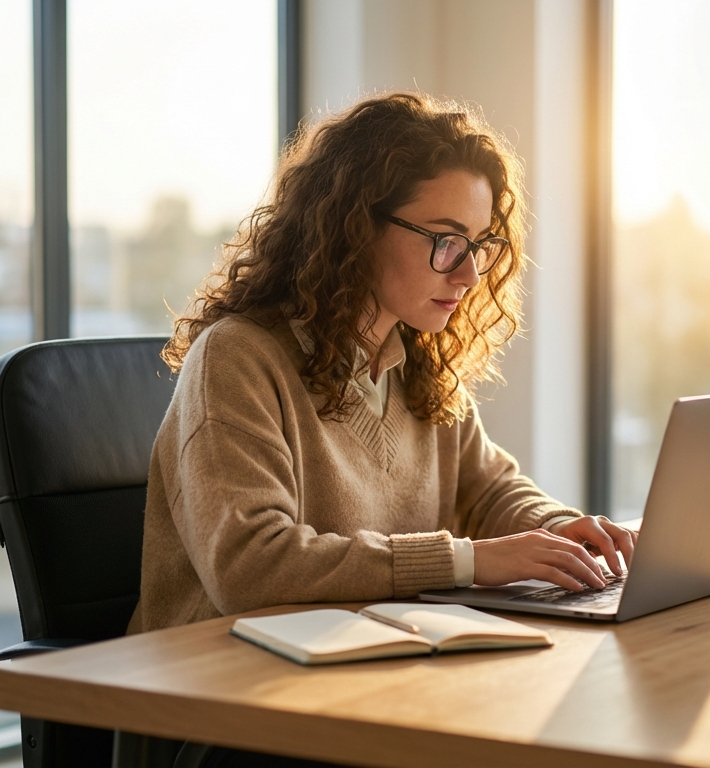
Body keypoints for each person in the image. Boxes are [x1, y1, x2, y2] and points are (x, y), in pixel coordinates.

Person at [127, 92, 637, 640]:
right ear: (355, 227)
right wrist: (469, 561)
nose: (468, 275)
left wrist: (563, 531)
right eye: (446, 241)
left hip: (364, 666)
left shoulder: (417, 364)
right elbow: (251, 566)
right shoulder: (236, 359)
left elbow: (489, 491)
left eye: (479, 245)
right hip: (218, 691)